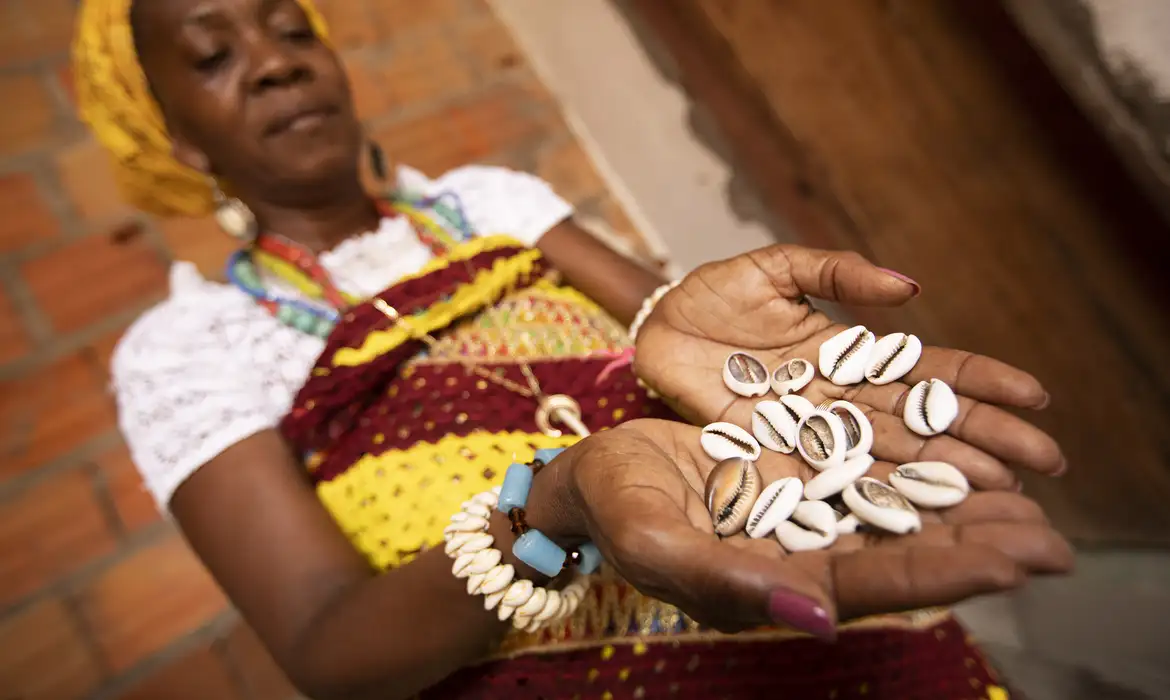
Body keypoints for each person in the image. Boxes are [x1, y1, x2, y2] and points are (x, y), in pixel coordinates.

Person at [73, 0, 1074, 697]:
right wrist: (555, 504)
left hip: (785, 582)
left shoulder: (494, 205)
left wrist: (723, 347)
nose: (279, 60)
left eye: (294, 31)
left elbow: (675, 344)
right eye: (213, 55)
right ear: (173, 139)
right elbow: (329, 649)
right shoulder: (190, 348)